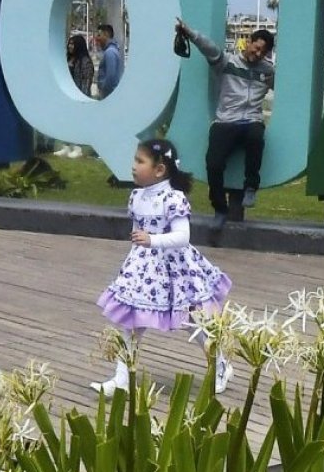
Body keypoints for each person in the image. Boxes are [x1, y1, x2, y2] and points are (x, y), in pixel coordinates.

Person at [92, 139, 232, 395]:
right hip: (144, 269)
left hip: (177, 269)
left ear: (160, 170)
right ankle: (122, 376)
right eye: (135, 160)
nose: (133, 166)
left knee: (193, 319)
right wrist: (134, 261)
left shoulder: (173, 198)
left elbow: (182, 237)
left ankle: (219, 363)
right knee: (131, 320)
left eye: (140, 161)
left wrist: (152, 240)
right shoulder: (136, 196)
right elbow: (136, 234)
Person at [176, 21, 275, 228]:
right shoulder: (227, 62)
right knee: (213, 164)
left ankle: (250, 187)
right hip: (226, 121)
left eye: (263, 53)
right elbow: (208, 47)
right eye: (256, 48)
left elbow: (288, 84)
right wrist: (189, 32)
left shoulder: (268, 71)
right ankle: (220, 208)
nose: (258, 55)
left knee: (256, 136)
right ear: (248, 43)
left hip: (251, 121)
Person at [54, 34, 95, 158]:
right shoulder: (67, 59)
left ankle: (78, 148)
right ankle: (66, 146)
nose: (70, 46)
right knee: (66, 122)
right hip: (66, 96)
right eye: (69, 43)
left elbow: (86, 81)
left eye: (73, 44)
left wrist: (82, 97)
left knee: (79, 123)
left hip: (78, 96)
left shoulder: (85, 61)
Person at [94, 24, 123, 98]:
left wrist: (103, 93)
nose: (97, 39)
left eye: (99, 35)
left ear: (106, 34)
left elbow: (110, 78)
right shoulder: (112, 51)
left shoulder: (110, 52)